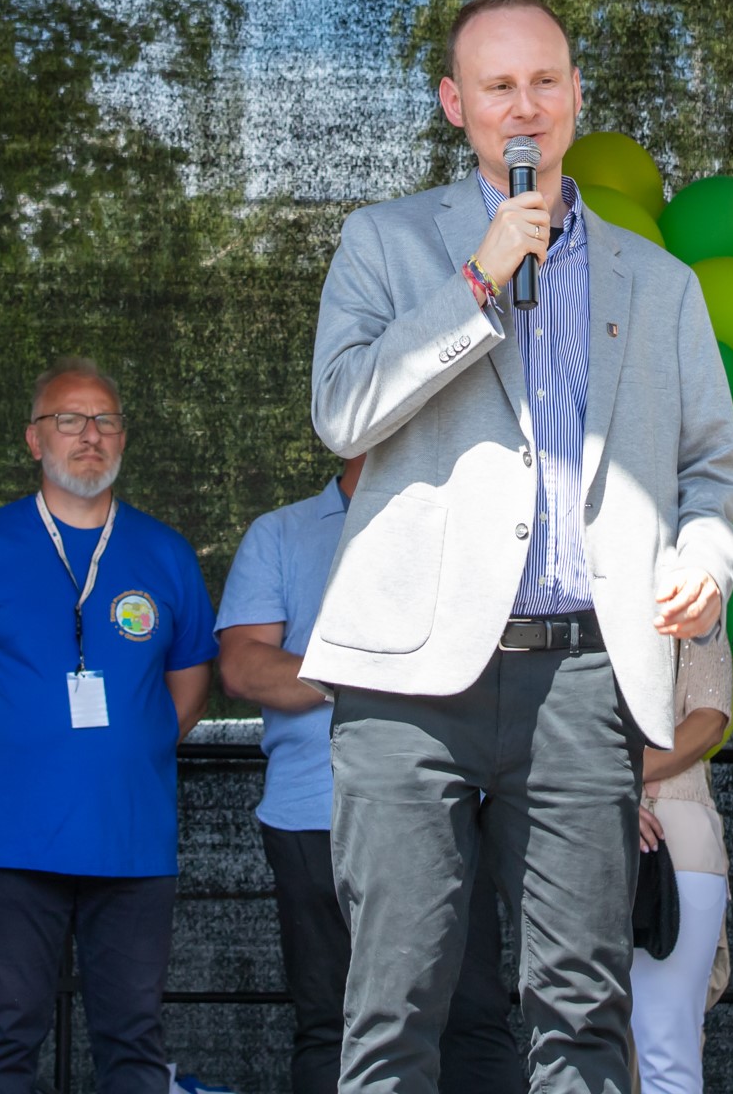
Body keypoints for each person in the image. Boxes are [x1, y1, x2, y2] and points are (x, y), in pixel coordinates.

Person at [302, 0, 733, 1094]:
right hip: (409, 681)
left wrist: (706, 550)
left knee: (582, 1006)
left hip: (585, 676)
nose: (525, 106)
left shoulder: (661, 281)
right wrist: (480, 277)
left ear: (576, 95)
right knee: (395, 1001)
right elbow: (344, 412)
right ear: (457, 104)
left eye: (546, 80)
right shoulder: (388, 241)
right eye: (498, 85)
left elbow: (712, 467)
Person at [0, 357, 217, 1094]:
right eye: (69, 419)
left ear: (123, 437)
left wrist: (123, 757)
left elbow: (189, 690)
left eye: (105, 419)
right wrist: (5, 767)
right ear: (34, 439)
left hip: (133, 844)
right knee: (8, 1036)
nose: (89, 435)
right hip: (13, 843)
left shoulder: (167, 553)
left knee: (134, 1042)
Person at [215, 456, 519, 1094]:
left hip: (451, 812)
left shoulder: (474, 530)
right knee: (335, 1026)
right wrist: (372, 672)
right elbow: (243, 668)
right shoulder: (282, 532)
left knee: (472, 1020)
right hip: (312, 815)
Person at [628, 634, 733, 1094]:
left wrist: (611, 781)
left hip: (667, 836)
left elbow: (710, 719)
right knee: (660, 1057)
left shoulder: (691, 598)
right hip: (585, 827)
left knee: (664, 1055)